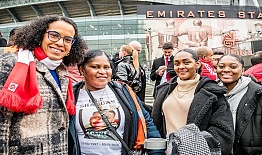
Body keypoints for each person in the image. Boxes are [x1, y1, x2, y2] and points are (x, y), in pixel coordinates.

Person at [0, 15, 87, 154]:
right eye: (54, 35)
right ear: (40, 35)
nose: (60, 43)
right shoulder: (11, 63)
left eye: (67, 40)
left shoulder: (62, 71)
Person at [69, 49, 164, 155]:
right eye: (95, 67)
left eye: (106, 67)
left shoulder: (124, 91)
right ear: (82, 70)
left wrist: (157, 152)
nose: (102, 71)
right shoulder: (71, 96)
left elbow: (145, 121)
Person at [152, 48, 234, 155]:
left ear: (198, 64)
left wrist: (191, 145)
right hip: (167, 151)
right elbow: (155, 117)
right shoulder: (165, 89)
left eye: (187, 63)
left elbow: (223, 131)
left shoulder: (212, 92)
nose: (181, 67)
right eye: (177, 64)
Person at [217, 54, 262, 154]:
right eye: (221, 66)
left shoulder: (261, 95)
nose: (226, 70)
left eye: (233, 67)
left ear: (243, 71)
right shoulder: (209, 94)